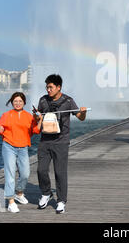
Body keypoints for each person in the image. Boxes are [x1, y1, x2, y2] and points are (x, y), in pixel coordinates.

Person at [33, 74, 87, 214]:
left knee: (60, 172)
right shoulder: (43, 100)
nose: (48, 89)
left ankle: (61, 201)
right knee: (41, 170)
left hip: (61, 142)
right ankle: (46, 193)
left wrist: (83, 112)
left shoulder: (68, 101)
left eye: (50, 87)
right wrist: (36, 117)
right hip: (45, 141)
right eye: (47, 87)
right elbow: (38, 119)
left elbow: (80, 117)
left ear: (58, 87)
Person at [0, 92, 43, 213]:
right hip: (8, 146)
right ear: (12, 102)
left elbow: (36, 130)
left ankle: (19, 193)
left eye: (20, 101)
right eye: (15, 101)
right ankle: (11, 202)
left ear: (24, 103)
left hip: (23, 148)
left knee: (25, 173)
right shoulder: (6, 115)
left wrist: (40, 119)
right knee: (10, 175)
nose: (17, 103)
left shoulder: (29, 116)